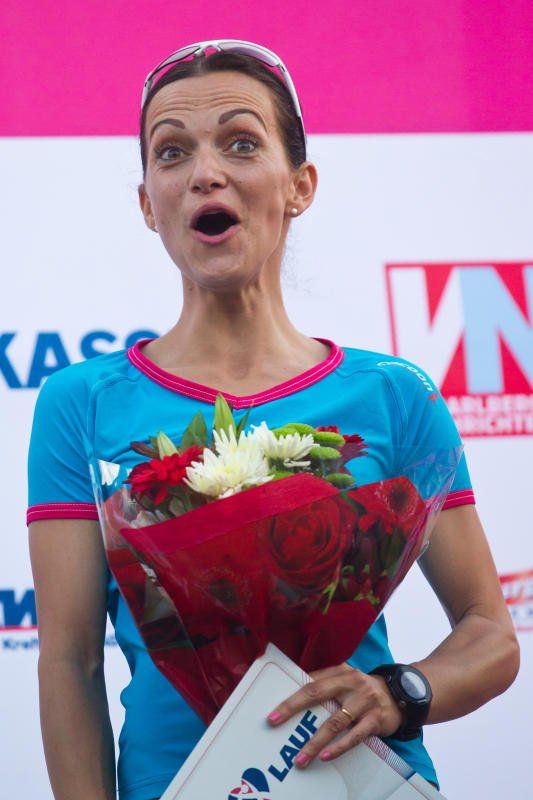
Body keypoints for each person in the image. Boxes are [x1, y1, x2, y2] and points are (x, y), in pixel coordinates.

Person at [27, 40, 519, 800]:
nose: (205, 173)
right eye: (171, 152)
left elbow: (489, 632)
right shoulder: (79, 401)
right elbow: (69, 662)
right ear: (148, 204)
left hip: (366, 783)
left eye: (241, 143)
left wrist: (400, 692)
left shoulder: (394, 394)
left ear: (299, 185)